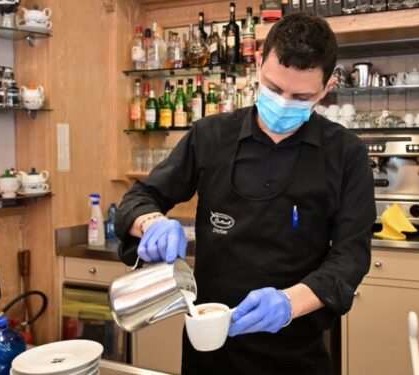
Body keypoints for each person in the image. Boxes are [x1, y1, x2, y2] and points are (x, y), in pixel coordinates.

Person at [115, 12, 375, 374]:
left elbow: (350, 258)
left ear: (327, 87)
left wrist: (287, 303)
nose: (283, 103)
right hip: (209, 349)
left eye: (301, 96)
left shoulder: (346, 154)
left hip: (297, 351)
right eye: (272, 88)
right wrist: (151, 222)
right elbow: (139, 198)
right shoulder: (210, 136)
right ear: (257, 64)